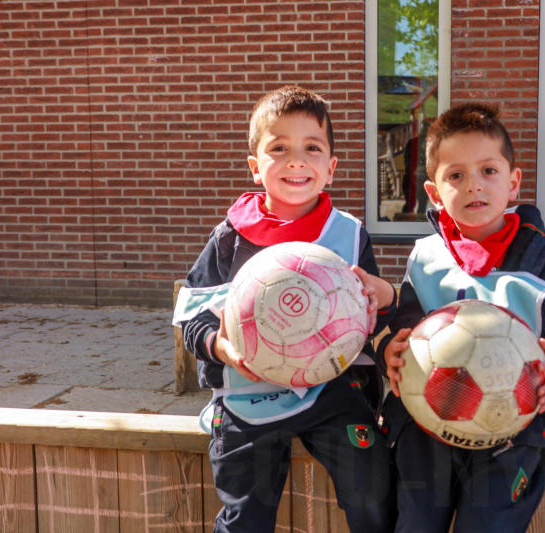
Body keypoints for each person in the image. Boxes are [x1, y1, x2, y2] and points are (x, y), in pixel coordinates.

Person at [176, 86, 397, 533]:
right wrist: (219, 347)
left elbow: (372, 318)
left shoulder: (349, 235)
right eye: (279, 149)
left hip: (333, 393)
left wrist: (381, 300)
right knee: (246, 517)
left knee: (374, 493)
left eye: (311, 148)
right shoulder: (229, 238)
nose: (297, 160)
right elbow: (191, 320)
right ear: (257, 168)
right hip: (246, 397)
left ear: (330, 168)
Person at [376, 103, 545, 532]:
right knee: (414, 524)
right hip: (425, 424)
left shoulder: (542, 256)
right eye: (456, 175)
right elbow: (406, 326)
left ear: (513, 183)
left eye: (488, 171)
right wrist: (389, 352)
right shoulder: (426, 256)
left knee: (487, 525)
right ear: (435, 193)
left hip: (512, 427)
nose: (473, 185)